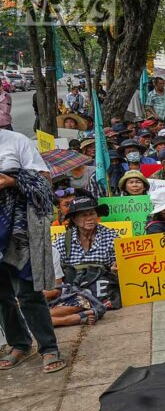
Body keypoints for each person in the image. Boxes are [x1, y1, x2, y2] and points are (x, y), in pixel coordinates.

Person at [0, 128, 65, 372]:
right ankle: (19, 344)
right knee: (1, 295)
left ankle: (48, 347)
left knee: (27, 291)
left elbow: (44, 180)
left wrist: (12, 180)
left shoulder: (16, 141)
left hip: (19, 230)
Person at [49, 196, 119, 326]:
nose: (89, 218)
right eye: (83, 215)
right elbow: (53, 270)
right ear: (74, 219)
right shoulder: (63, 241)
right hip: (73, 294)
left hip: (103, 294)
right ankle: (77, 317)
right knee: (38, 311)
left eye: (92, 213)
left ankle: (71, 317)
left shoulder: (111, 237)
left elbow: (121, 266)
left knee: (41, 315)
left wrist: (117, 270)